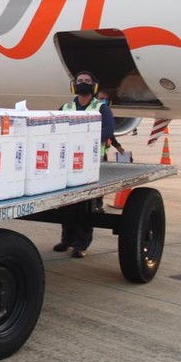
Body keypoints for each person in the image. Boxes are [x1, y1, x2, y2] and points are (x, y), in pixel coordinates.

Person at [54, 71, 114, 258]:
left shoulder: (101, 108)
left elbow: (108, 130)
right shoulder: (66, 107)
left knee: (85, 206)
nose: (83, 84)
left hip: (91, 162)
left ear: (94, 86)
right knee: (67, 204)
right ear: (74, 84)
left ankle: (81, 244)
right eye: (80, 81)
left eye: (87, 81)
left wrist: (85, 141)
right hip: (69, 162)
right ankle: (67, 240)